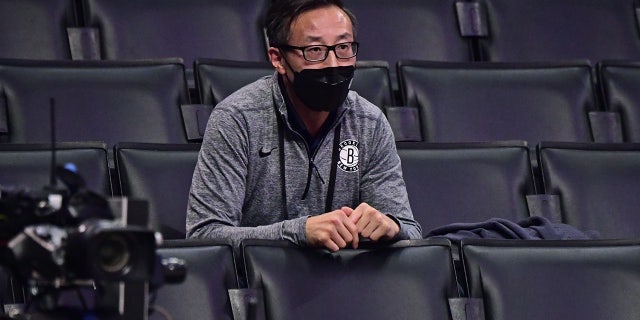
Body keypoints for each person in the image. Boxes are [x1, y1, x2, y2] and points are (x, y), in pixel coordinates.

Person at [186, 0, 422, 251]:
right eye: (315, 50)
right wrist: (299, 231)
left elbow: (411, 229)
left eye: (343, 47)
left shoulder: (370, 123)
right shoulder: (237, 119)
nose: (333, 63)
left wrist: (392, 227)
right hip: (256, 285)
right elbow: (204, 235)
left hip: (347, 282)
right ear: (278, 58)